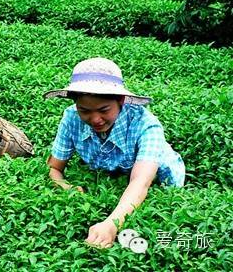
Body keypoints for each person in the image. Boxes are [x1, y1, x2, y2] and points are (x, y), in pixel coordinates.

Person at [44, 57, 185, 248]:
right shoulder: (71, 117)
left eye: (103, 110)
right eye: (84, 110)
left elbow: (141, 182)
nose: (95, 119)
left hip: (159, 179)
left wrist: (111, 224)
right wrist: (65, 186)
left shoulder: (146, 125)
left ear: (121, 100)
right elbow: (54, 167)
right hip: (113, 170)